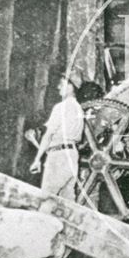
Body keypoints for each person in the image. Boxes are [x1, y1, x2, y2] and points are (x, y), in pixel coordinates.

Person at [30, 72, 84, 201]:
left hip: (58, 158)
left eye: (62, 84)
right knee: (68, 204)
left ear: (71, 87)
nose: (58, 87)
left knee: (46, 200)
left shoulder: (61, 107)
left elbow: (48, 135)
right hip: (72, 155)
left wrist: (37, 159)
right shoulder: (79, 108)